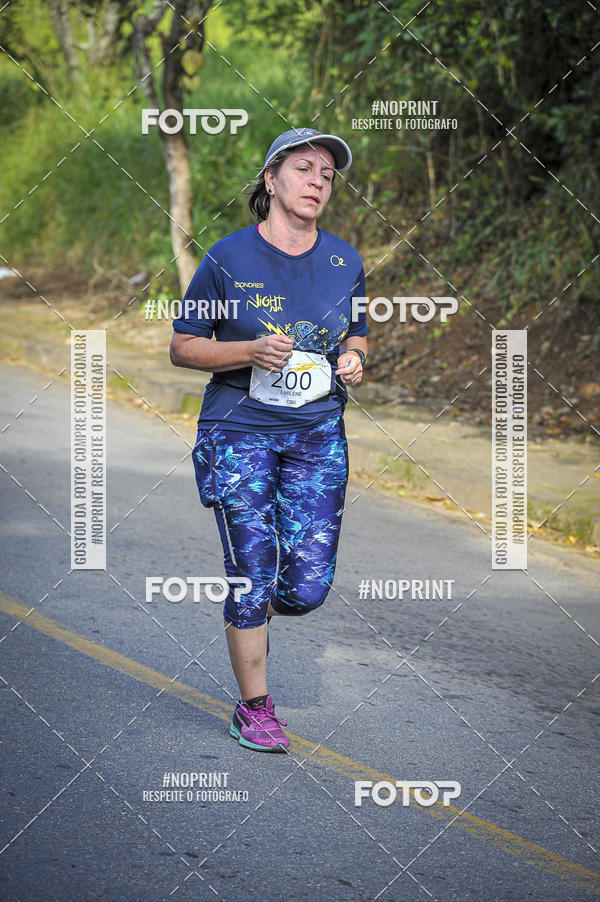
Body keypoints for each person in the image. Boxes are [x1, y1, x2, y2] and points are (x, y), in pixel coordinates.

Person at [170, 127, 368, 752]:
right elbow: (182, 345)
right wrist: (248, 349)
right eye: (304, 168)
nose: (317, 181)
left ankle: (246, 613)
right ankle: (254, 706)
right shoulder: (228, 258)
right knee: (251, 571)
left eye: (327, 175)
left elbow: (356, 332)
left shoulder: (345, 260)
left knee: (306, 588)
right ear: (271, 179)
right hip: (239, 433)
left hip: (317, 435)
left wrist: (354, 359)